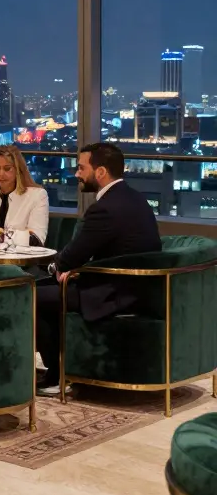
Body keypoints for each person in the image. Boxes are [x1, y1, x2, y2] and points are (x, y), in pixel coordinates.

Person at [35, 142, 161, 394]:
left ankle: (57, 377)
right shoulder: (134, 198)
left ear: (100, 172)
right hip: (138, 288)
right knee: (44, 289)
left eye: (82, 168)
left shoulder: (105, 208)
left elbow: (71, 256)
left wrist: (53, 268)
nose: (77, 174)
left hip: (114, 293)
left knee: (30, 295)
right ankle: (63, 371)